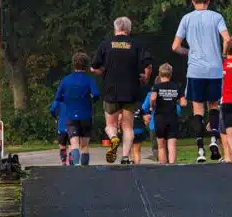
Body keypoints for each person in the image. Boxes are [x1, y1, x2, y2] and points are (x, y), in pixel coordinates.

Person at [172, 0, 231, 163]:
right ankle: (214, 139)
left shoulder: (186, 19)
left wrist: (188, 52)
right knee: (214, 107)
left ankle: (200, 150)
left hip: (196, 71)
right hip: (214, 69)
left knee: (198, 110)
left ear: (192, 2)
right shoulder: (216, 17)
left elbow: (175, 46)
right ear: (208, 1)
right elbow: (227, 39)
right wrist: (224, 55)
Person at [92, 17, 152, 165]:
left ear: (115, 28)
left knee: (110, 125)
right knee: (128, 127)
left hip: (110, 91)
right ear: (129, 29)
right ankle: (125, 157)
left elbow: (94, 67)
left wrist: (103, 73)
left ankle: (113, 138)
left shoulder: (105, 44)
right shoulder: (136, 45)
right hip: (131, 91)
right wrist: (146, 78)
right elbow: (148, 65)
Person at [54, 52, 100, 166]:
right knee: (84, 146)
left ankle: (75, 169)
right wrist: (91, 100)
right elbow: (96, 94)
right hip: (86, 115)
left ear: (73, 64)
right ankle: (85, 170)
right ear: (86, 65)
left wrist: (68, 99)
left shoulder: (66, 80)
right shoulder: (90, 80)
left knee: (74, 144)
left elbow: (58, 97)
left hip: (70, 116)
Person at [150, 63, 187, 164]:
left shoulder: (156, 86)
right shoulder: (177, 86)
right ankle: (172, 167)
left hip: (160, 118)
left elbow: (153, 98)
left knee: (161, 146)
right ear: (170, 74)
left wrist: (152, 105)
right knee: (172, 145)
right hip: (172, 118)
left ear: (159, 74)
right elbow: (184, 103)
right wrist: (176, 100)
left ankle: (163, 168)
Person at [49, 100, 68, 165]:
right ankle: (73, 162)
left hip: (62, 125)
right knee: (72, 145)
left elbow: (52, 110)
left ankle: (64, 162)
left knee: (62, 145)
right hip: (73, 124)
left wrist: (55, 116)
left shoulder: (59, 99)